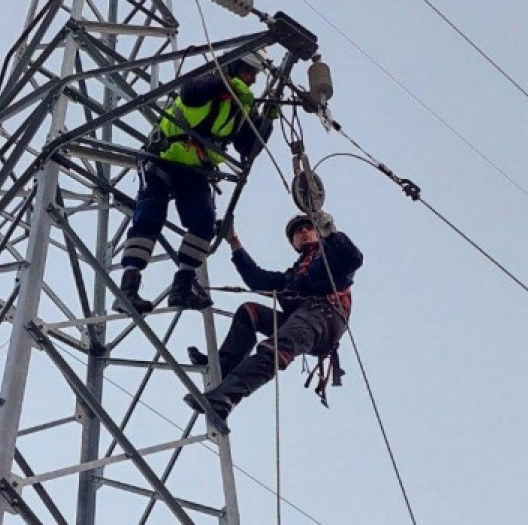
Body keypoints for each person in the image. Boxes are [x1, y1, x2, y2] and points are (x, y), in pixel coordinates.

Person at [113, 53, 274, 314]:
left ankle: (183, 287)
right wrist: (229, 86)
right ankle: (128, 289)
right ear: (235, 68)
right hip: (162, 159)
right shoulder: (207, 83)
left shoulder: (242, 107)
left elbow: (248, 147)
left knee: (203, 223)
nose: (253, 80)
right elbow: (190, 93)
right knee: (148, 218)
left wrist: (267, 120)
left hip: (196, 170)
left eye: (255, 76)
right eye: (249, 73)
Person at [184, 211, 363, 419]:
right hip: (301, 318)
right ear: (293, 243)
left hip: (322, 319)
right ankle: (222, 367)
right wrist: (234, 241)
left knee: (277, 346)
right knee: (249, 312)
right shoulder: (294, 275)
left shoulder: (329, 257)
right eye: (298, 231)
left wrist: (331, 233)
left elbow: (353, 259)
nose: (303, 232)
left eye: (308, 228)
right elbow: (257, 279)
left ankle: (226, 398)